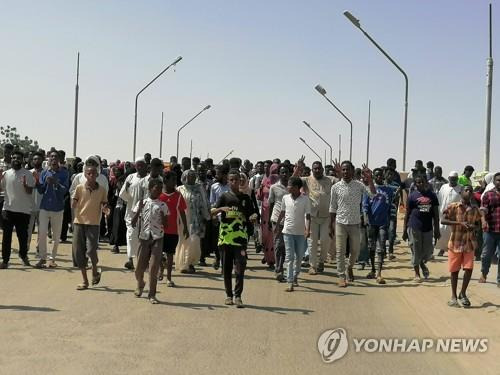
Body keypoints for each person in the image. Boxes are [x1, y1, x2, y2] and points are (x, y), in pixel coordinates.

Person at [211, 169, 256, 308]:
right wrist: (221, 209)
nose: (234, 182)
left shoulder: (246, 198)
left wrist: (253, 218)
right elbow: (211, 212)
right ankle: (228, 295)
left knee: (240, 267)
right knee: (226, 268)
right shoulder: (224, 197)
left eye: (237, 180)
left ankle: (238, 296)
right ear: (228, 181)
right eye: (231, 180)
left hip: (240, 239)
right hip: (225, 238)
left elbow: (252, 214)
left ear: (241, 181)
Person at [329, 161, 376, 287]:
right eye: (343, 170)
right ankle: (341, 276)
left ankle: (349, 267)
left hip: (355, 223)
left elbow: (372, 194)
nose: (345, 172)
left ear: (352, 171)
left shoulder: (359, 185)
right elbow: (332, 207)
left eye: (347, 169)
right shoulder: (336, 187)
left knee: (355, 251)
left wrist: (370, 179)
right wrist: (331, 224)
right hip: (340, 223)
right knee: (340, 251)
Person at [293, 159, 336, 275]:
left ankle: (321, 261)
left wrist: (339, 172)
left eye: (319, 168)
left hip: (326, 216)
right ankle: (313, 266)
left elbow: (342, 182)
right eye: (315, 169)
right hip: (312, 217)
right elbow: (292, 181)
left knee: (325, 241)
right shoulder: (306, 180)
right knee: (312, 242)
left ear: (322, 170)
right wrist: (298, 169)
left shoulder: (330, 180)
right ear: (312, 170)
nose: (317, 170)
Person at [441, 185, 481, 307]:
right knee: (454, 271)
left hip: (469, 243)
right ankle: (453, 296)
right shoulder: (453, 206)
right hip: (455, 243)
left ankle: (462, 293)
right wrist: (459, 223)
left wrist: (474, 227)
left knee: (469, 269)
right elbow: (443, 220)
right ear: (461, 192)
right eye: (466, 190)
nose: (469, 192)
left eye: (471, 191)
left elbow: (478, 224)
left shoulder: (474, 209)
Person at [131, 179, 168, 304]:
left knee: (153, 268)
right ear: (150, 188)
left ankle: (152, 294)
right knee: (139, 269)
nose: (158, 191)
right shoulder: (142, 203)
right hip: (144, 238)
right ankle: (140, 284)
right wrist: (139, 210)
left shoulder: (163, 205)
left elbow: (166, 225)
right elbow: (133, 222)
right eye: (156, 188)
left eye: (160, 189)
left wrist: (163, 218)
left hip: (157, 238)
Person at [71, 165, 108, 290]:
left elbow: (104, 203)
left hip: (93, 224)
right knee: (78, 253)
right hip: (79, 222)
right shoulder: (79, 188)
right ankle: (85, 281)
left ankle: (94, 270)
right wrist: (73, 203)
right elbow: (74, 203)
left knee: (91, 250)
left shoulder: (102, 190)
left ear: (97, 175)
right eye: (89, 173)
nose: (91, 176)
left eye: (93, 173)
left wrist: (105, 209)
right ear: (85, 175)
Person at [0, 150, 36, 268]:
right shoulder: (6, 174)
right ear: (11, 159)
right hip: (8, 209)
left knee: (22, 236)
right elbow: (1, 189)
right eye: (14, 157)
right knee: (6, 236)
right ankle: (5, 261)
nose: (16, 160)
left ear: (23, 160)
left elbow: (30, 191)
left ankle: (23, 256)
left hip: (23, 210)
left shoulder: (28, 174)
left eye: (18, 158)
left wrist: (25, 186)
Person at [275, 177, 311, 292]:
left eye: (290, 185)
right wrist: (277, 225)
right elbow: (282, 212)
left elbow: (308, 216)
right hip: (288, 231)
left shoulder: (305, 199)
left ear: (297, 188)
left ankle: (296, 275)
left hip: (300, 233)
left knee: (299, 256)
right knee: (289, 257)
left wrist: (307, 229)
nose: (288, 187)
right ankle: (290, 281)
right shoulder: (285, 198)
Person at [34, 150, 70, 268]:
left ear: (59, 160)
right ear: (49, 159)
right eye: (51, 157)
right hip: (44, 207)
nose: (53, 159)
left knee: (56, 236)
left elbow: (65, 191)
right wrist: (37, 182)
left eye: (55, 157)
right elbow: (41, 190)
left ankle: (52, 259)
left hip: (58, 208)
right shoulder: (45, 173)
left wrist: (55, 183)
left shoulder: (64, 173)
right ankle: (42, 258)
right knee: (42, 233)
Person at [402, 175, 440, 283]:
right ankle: (417, 274)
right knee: (415, 250)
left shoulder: (432, 196)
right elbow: (407, 214)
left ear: (426, 183)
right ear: (415, 184)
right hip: (414, 226)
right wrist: (405, 231)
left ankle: (422, 263)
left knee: (428, 252)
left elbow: (436, 215)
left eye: (422, 182)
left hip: (428, 228)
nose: (420, 184)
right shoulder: (412, 196)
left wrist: (437, 230)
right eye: (417, 182)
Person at [362, 168, 395, 284]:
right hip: (371, 223)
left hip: (383, 223)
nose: (379, 177)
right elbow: (365, 206)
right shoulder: (368, 190)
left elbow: (390, 205)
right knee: (371, 247)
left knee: (381, 248)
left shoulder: (389, 190)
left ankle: (379, 273)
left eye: (381, 175)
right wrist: (366, 219)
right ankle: (372, 269)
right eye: (376, 175)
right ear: (374, 177)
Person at [176, 170, 210, 273]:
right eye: (189, 176)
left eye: (193, 176)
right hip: (183, 220)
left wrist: (207, 216)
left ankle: (191, 263)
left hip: (196, 220)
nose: (192, 178)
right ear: (185, 177)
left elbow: (205, 203)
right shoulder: (179, 189)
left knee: (194, 242)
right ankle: (183, 264)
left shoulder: (200, 189)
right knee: (184, 242)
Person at [159, 172, 189, 286]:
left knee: (170, 254)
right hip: (159, 230)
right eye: (172, 180)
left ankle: (169, 278)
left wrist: (185, 227)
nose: (175, 182)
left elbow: (182, 212)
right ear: (165, 181)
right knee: (158, 253)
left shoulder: (178, 196)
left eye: (175, 179)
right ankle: (160, 269)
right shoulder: (159, 195)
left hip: (172, 230)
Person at [119, 158, 149, 270]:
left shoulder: (149, 178)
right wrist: (126, 189)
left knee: (143, 236)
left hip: (145, 212)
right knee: (131, 235)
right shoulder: (130, 177)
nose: (139, 167)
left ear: (146, 166)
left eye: (142, 165)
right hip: (131, 212)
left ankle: (144, 260)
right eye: (138, 165)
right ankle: (130, 259)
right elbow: (123, 195)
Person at [268, 166, 290, 281]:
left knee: (286, 246)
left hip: (290, 220)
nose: (285, 174)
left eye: (286, 172)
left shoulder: (293, 187)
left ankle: (282, 267)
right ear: (279, 174)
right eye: (282, 172)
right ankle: (278, 270)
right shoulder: (274, 187)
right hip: (276, 220)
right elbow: (271, 204)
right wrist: (268, 221)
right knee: (278, 244)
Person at [479, 172, 500, 287]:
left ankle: (499, 279)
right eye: (498, 180)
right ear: (494, 181)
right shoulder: (488, 194)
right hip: (490, 229)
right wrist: (483, 221)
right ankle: (484, 273)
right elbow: (483, 209)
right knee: (486, 254)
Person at [435, 172, 463, 256]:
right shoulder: (444, 187)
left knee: (453, 232)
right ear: (449, 178)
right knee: (443, 231)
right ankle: (442, 249)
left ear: (457, 179)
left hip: (456, 214)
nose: (453, 180)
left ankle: (452, 249)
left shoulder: (460, 188)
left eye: (455, 179)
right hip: (443, 213)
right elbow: (439, 198)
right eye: (451, 178)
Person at [209, 165, 230, 269]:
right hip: (217, 216)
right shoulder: (214, 187)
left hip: (229, 218)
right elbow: (212, 202)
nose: (216, 175)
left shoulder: (230, 186)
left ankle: (225, 262)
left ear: (225, 175)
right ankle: (217, 257)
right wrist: (214, 216)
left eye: (218, 174)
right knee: (216, 240)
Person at [28, 151, 44, 255]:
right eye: (34, 159)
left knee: (41, 230)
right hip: (29, 206)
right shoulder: (28, 173)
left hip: (42, 206)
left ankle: (39, 247)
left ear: (42, 160)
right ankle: (26, 247)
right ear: (32, 161)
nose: (36, 161)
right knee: (28, 229)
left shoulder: (46, 173)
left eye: (38, 159)